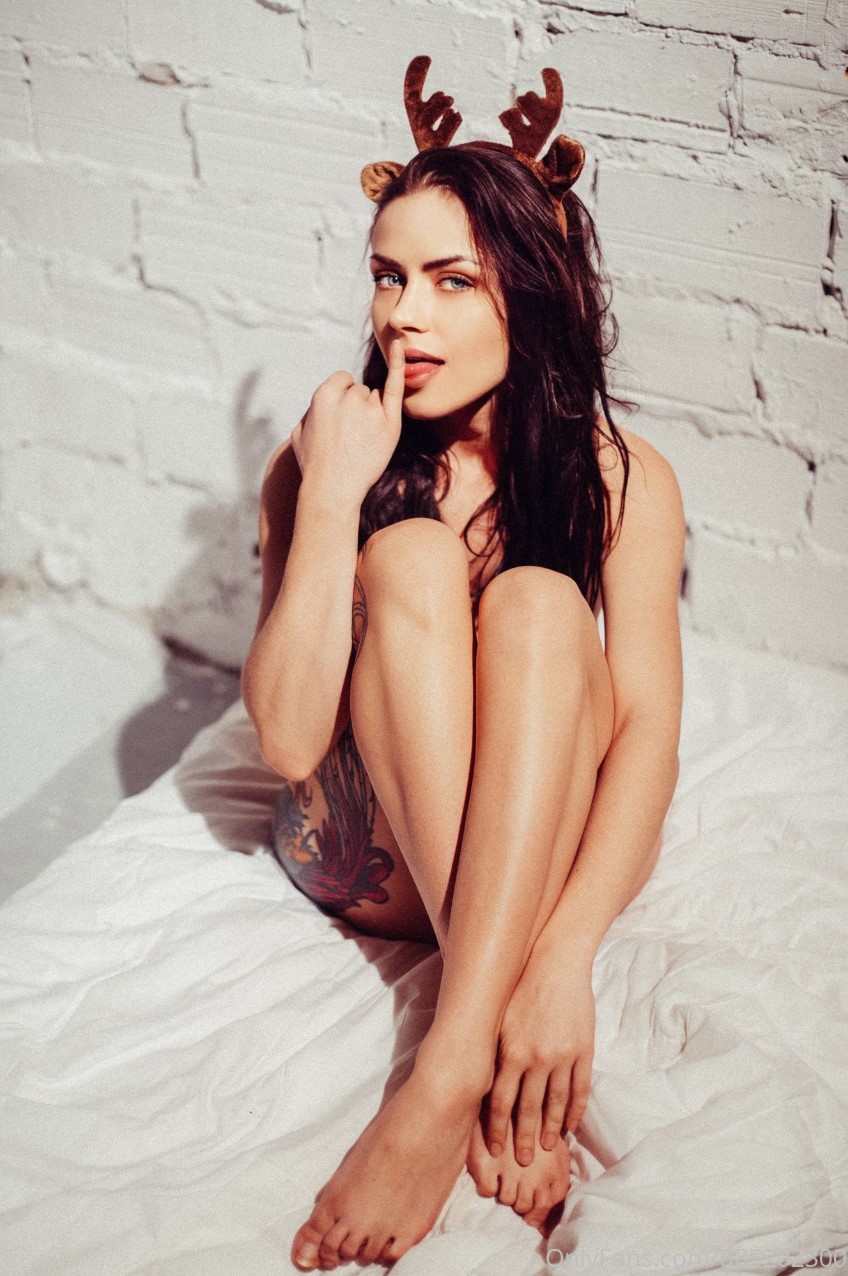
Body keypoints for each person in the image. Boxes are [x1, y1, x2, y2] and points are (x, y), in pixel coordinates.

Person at [241, 56, 685, 1273]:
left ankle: (450, 1056)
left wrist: (563, 960)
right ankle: (470, 1051)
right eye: (388, 275)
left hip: (517, 858)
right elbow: (285, 738)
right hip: (366, 856)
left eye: (450, 280)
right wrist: (330, 498)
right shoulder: (330, 447)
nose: (402, 315)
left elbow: (644, 733)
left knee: (539, 601)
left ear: (530, 295)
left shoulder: (620, 478)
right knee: (413, 559)